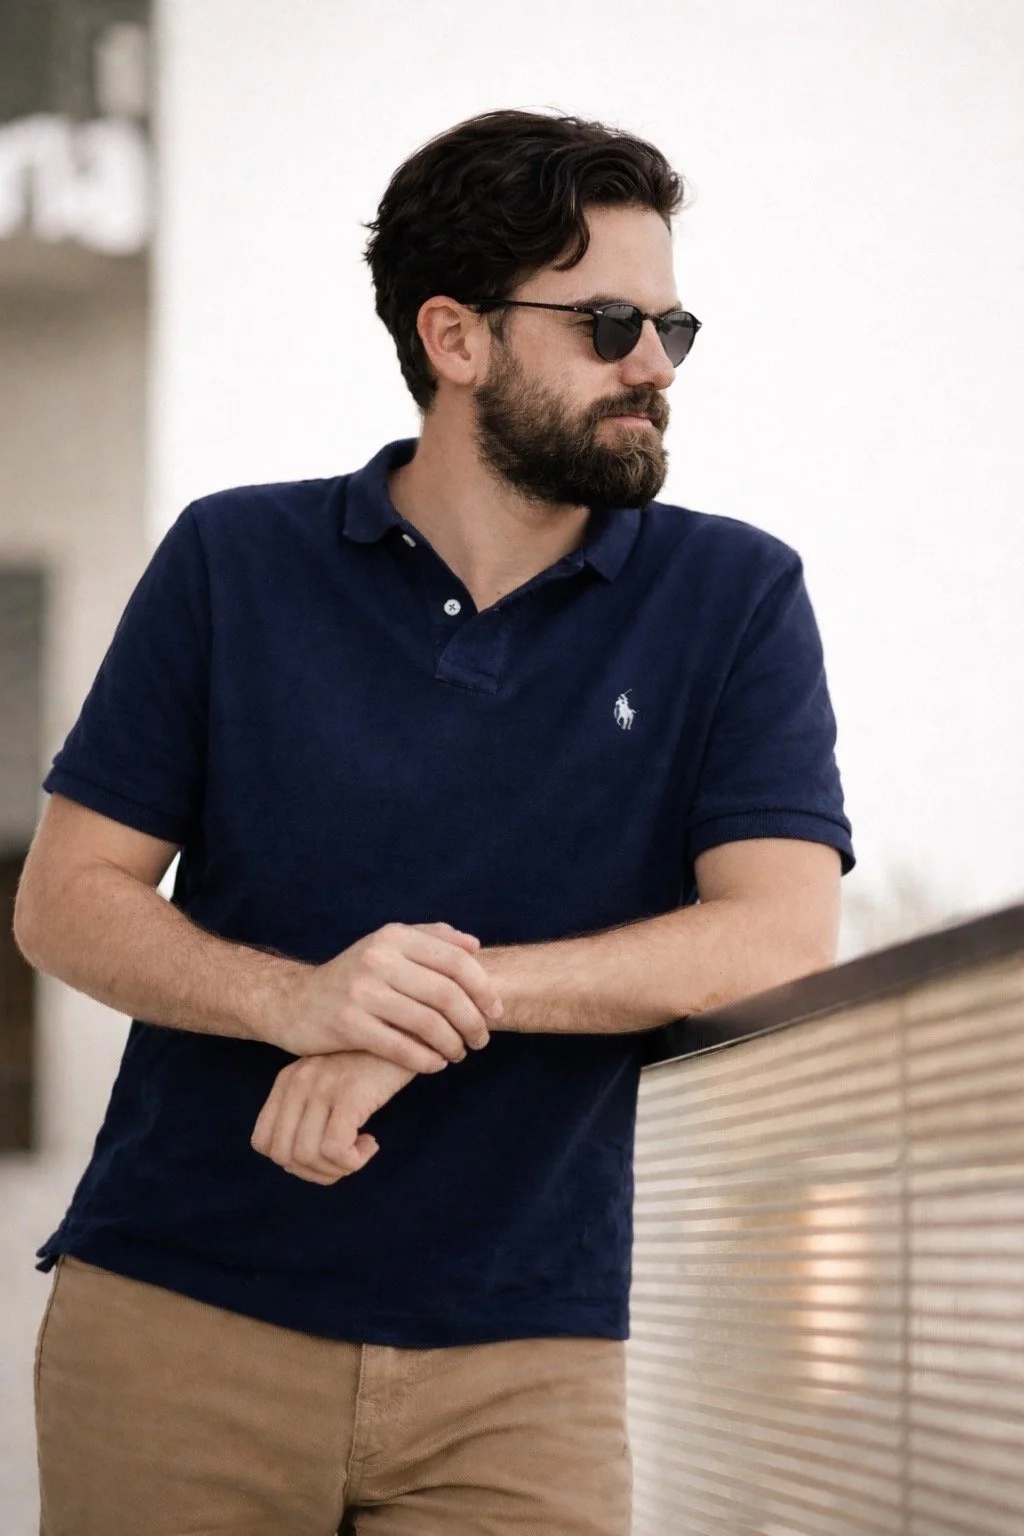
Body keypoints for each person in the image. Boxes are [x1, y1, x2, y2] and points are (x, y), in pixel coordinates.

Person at [15, 108, 854, 1536]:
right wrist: (302, 1000)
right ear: (455, 338)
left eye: (673, 327)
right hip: (179, 1317)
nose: (654, 366)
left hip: (528, 1360)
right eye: (607, 324)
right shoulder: (235, 558)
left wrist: (424, 1006)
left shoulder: (736, 597)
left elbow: (778, 932)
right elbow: (67, 898)